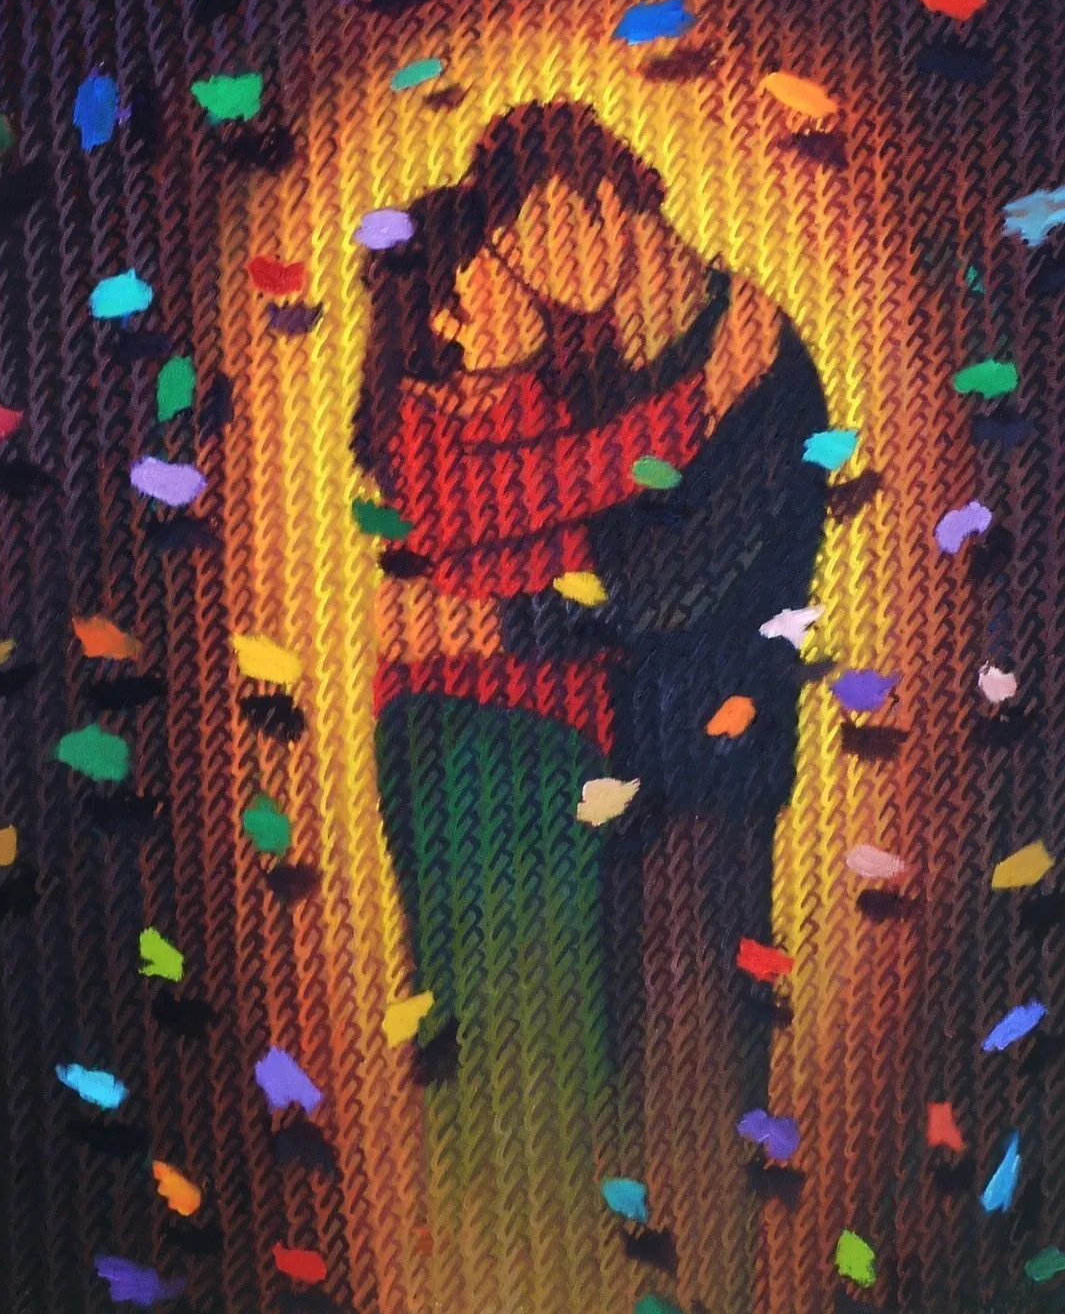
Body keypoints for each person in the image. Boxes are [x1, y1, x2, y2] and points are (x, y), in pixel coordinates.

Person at [352, 101, 828, 1313]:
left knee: (688, 1092)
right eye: (508, 253)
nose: (533, 272)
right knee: (559, 1083)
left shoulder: (761, 353)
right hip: (578, 776)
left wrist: (494, 629)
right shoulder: (578, 365)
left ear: (611, 197)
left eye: (541, 232)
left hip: (701, 782)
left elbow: (684, 580)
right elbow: (531, 497)